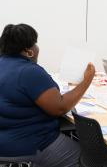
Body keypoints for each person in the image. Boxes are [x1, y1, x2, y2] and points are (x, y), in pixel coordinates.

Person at [0, 24, 95, 167]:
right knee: (90, 158)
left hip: (6, 141)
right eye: (35, 44)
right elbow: (60, 108)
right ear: (28, 51)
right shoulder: (29, 71)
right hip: (29, 145)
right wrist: (86, 81)